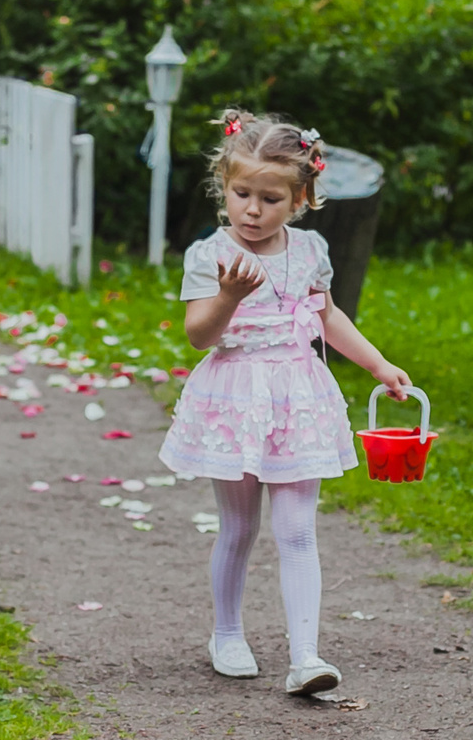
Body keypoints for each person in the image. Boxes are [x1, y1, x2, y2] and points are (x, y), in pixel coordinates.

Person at [160, 110, 413, 695]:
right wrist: (227, 295)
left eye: (270, 198)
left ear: (300, 199)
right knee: (242, 525)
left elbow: (326, 315)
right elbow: (201, 335)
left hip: (298, 396)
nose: (252, 209)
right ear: (224, 188)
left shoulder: (309, 251)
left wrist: (377, 364)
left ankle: (306, 657)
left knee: (298, 529)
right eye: (241, 193)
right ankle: (227, 634)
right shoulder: (212, 254)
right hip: (237, 396)